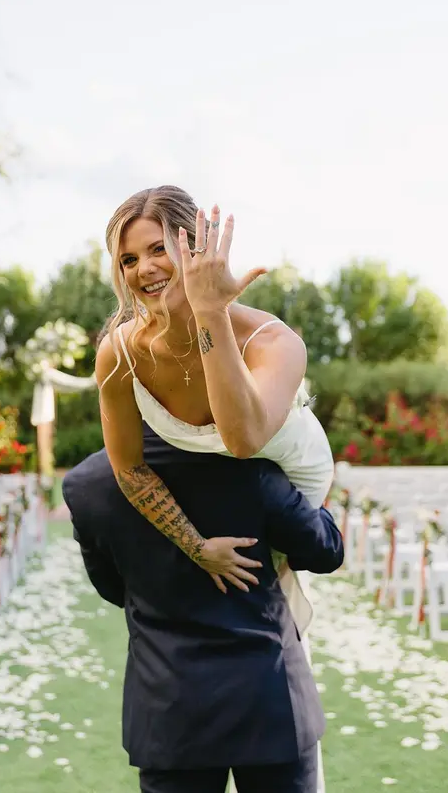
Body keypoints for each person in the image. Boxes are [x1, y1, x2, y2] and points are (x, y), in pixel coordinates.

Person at [96, 185, 335, 629]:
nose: (144, 269)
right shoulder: (119, 353)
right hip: (218, 473)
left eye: (158, 249)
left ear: (197, 250)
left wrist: (210, 312)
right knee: (90, 484)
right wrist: (198, 547)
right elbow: (129, 469)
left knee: (274, 583)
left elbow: (242, 441)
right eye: (128, 260)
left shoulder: (273, 342)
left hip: (288, 474)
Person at [63, 424, 344, 792]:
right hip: (268, 696)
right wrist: (312, 491)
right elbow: (324, 551)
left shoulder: (86, 484)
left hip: (169, 703)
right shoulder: (249, 463)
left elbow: (113, 588)